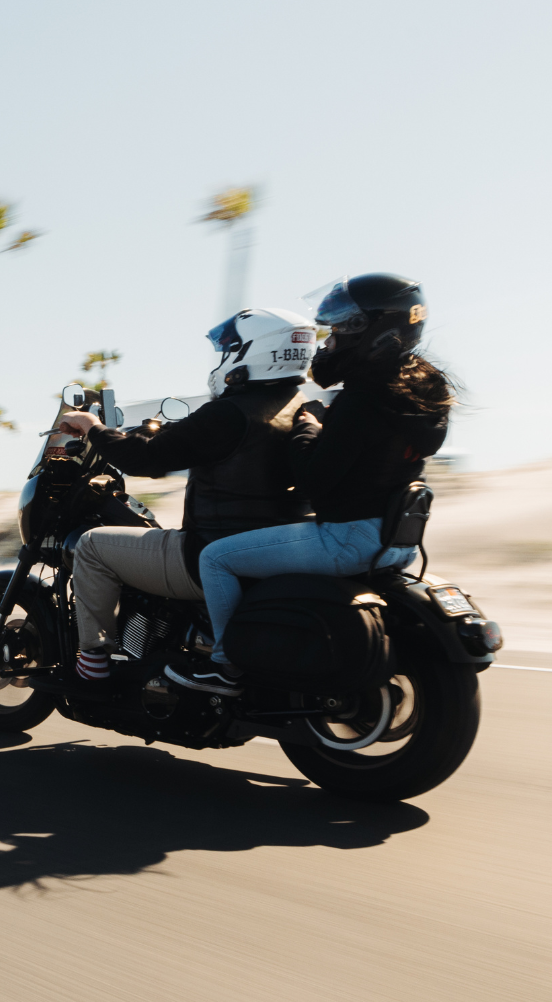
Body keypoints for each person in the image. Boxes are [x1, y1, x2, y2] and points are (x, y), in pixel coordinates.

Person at [165, 273, 453, 696]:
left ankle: (226, 667)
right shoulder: (426, 392)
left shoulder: (362, 400)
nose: (330, 340)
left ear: (373, 330)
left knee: (215, 558)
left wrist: (309, 425)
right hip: (397, 543)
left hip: (347, 537)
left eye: (340, 328)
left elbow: (314, 479)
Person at [54, 308, 317, 688]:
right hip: (275, 552)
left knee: (93, 546)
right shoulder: (301, 407)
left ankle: (92, 663)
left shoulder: (229, 413)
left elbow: (144, 459)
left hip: (209, 552)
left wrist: (93, 427)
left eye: (230, 348)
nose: (225, 357)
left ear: (256, 352)